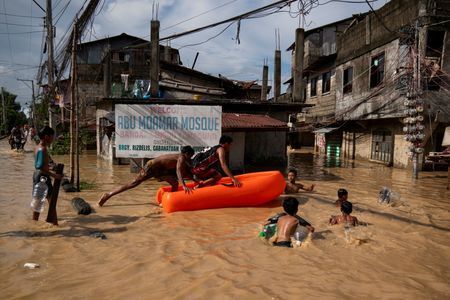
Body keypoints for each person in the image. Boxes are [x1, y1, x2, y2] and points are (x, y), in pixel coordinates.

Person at [98, 146, 195, 206]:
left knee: (174, 183)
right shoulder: (181, 158)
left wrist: (195, 181)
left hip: (159, 170)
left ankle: (169, 202)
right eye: (190, 156)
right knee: (133, 183)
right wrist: (184, 185)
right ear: (186, 154)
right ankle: (108, 195)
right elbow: (178, 170)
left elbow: (184, 172)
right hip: (151, 167)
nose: (190, 158)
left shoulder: (181, 157)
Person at [32, 126, 62, 221]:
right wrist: (55, 175)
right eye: (52, 137)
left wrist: (51, 168)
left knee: (39, 202)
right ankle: (54, 223)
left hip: (38, 176)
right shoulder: (43, 149)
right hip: (42, 177)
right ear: (46, 136)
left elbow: (41, 165)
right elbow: (40, 167)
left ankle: (39, 224)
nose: (53, 139)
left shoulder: (37, 147)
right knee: (49, 201)